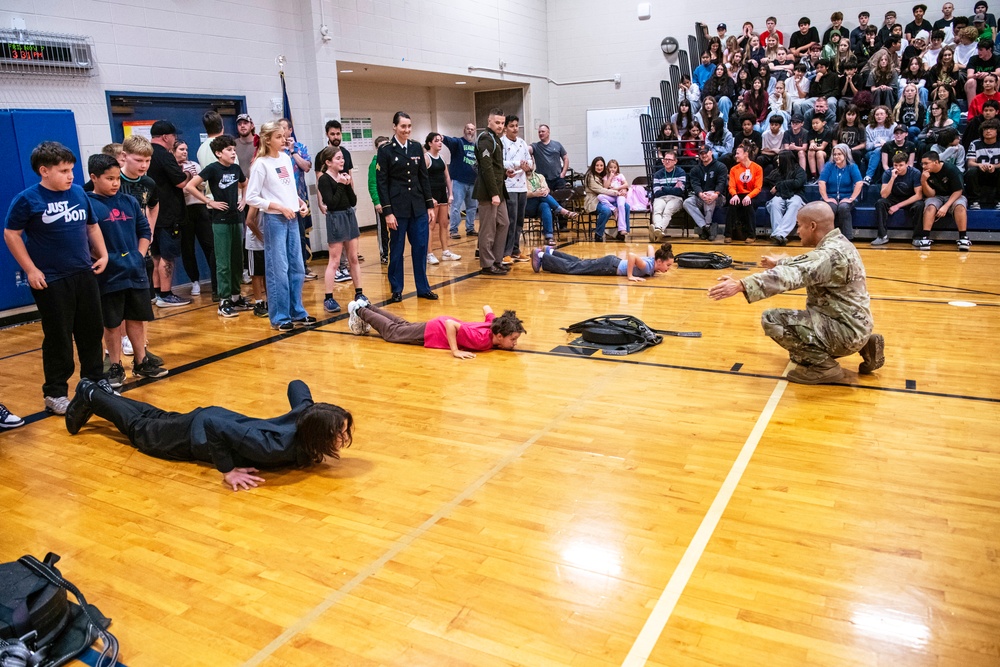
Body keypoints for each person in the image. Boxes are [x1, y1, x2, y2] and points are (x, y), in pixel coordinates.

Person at [64, 377, 353, 491]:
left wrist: (315, 410)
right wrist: (227, 471)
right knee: (142, 431)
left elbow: (297, 385)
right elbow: (215, 430)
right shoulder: (271, 447)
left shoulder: (304, 415)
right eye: (338, 434)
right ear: (317, 435)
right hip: (198, 435)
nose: (342, 439)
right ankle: (90, 394)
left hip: (214, 417)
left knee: (153, 418)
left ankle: (102, 393)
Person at [708, 201, 883, 384]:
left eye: (799, 225)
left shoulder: (828, 255)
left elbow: (791, 275)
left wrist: (741, 285)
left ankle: (825, 367)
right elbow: (808, 261)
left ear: (813, 226)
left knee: (772, 318)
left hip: (845, 330)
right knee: (797, 354)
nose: (797, 231)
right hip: (855, 324)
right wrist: (780, 262)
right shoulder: (839, 243)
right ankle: (865, 345)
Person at [3, 142, 108, 414]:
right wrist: (30, 269)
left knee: (91, 331)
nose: (70, 175)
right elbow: (11, 234)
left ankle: (95, 382)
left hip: (83, 273)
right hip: (51, 280)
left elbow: (92, 226)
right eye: (63, 170)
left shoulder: (78, 194)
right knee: (59, 337)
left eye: (72, 169)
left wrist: (103, 254)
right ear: (44, 171)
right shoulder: (27, 199)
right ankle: (55, 393)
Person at [87, 154, 168, 385]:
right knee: (112, 323)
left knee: (136, 318)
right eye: (109, 179)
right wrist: (102, 257)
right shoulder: (88, 203)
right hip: (108, 273)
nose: (115, 183)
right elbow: (86, 237)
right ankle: (115, 365)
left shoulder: (129, 201)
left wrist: (138, 255)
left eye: (116, 179)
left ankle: (141, 362)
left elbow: (144, 230)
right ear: (94, 177)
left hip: (134, 269)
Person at [245, 121, 316, 331]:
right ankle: (280, 316)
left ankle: (297, 310)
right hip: (275, 220)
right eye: (278, 136)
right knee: (279, 269)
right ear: (267, 140)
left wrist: (300, 203)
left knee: (297, 266)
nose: (283, 139)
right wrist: (276, 206)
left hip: (293, 217)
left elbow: (288, 189)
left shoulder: (285, 158)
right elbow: (252, 197)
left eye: (283, 135)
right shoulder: (260, 164)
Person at [184, 135, 248, 318]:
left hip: (236, 218)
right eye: (229, 150)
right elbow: (190, 186)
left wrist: (243, 200)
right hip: (219, 220)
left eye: (234, 150)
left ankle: (236, 297)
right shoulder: (212, 169)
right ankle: (224, 301)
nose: (233, 153)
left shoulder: (236, 168)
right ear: (219, 153)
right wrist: (209, 202)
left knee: (237, 260)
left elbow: (245, 183)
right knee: (223, 262)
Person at [376, 111, 439, 298]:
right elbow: (382, 183)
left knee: (420, 247)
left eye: (409, 126)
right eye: (403, 126)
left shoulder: (416, 147)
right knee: (396, 250)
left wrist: (429, 205)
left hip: (418, 207)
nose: (407, 130)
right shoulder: (386, 150)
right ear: (394, 127)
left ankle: (423, 288)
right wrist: (387, 212)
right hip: (397, 209)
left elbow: (423, 178)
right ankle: (396, 289)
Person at [346, 300, 524, 359]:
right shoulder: (480, 339)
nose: (515, 343)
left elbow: (487, 308)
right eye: (513, 339)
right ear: (500, 336)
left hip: (438, 325)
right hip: (437, 330)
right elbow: (450, 325)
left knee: (402, 326)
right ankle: (358, 310)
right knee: (393, 333)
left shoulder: (494, 325)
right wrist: (455, 351)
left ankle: (367, 306)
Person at [314, 145, 365, 313]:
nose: (342, 161)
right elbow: (332, 204)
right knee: (335, 261)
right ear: (328, 162)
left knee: (353, 258)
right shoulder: (324, 180)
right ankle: (328, 297)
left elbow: (353, 201)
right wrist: (342, 185)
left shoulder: (343, 176)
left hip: (349, 215)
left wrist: (347, 183)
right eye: (338, 158)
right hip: (336, 218)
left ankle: (359, 293)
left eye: (342, 157)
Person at [147, 120, 192, 308]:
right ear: (165, 137)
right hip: (168, 214)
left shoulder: (146, 154)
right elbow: (181, 182)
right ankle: (166, 294)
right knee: (168, 256)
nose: (174, 140)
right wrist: (189, 174)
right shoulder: (164, 156)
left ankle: (157, 292)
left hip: (153, 213)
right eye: (173, 136)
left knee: (156, 254)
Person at [173, 140, 216, 299]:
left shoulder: (195, 165)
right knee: (187, 248)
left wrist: (193, 183)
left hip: (199, 208)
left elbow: (202, 185)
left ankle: (216, 280)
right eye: (181, 149)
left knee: (209, 245)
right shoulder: (172, 168)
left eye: (186, 149)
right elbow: (182, 190)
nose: (184, 152)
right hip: (184, 211)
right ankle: (195, 281)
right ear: (174, 150)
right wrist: (190, 183)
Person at [473, 108, 511, 276]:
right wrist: (494, 193)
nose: (500, 126)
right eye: (497, 123)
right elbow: (486, 168)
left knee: (504, 223)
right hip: (488, 191)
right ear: (489, 121)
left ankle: (497, 259)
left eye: (502, 123)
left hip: (499, 188)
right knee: (488, 229)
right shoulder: (486, 139)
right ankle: (487, 264)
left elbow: (495, 167)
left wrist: (504, 173)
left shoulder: (496, 138)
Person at [530, 243, 675, 282]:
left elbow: (650, 248)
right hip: (609, 267)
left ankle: (551, 252)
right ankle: (542, 255)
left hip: (610, 262)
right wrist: (630, 275)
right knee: (573, 268)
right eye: (667, 265)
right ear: (659, 261)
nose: (668, 269)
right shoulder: (647, 267)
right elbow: (631, 256)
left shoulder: (653, 263)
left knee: (580, 263)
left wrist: (654, 258)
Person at [915, 150, 971, 250]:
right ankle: (925, 237)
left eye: (926, 163)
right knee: (930, 206)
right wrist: (923, 181)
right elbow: (930, 194)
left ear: (936, 162)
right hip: (937, 196)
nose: (923, 166)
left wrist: (946, 206)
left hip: (954, 195)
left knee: (960, 206)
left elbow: (958, 191)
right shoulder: (926, 173)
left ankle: (963, 237)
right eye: (922, 163)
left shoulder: (951, 170)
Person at [873, 152, 925, 245]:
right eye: (895, 165)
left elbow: (918, 195)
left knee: (920, 205)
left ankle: (917, 237)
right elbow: (884, 195)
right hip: (893, 198)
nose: (897, 168)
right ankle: (882, 236)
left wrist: (898, 206)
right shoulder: (888, 173)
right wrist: (892, 178)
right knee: (880, 203)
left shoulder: (915, 173)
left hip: (910, 198)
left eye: (901, 165)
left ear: (907, 164)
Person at [424, 133, 460, 264]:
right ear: (430, 143)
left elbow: (447, 178)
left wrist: (450, 194)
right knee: (431, 226)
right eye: (436, 141)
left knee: (444, 223)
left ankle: (446, 252)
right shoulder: (426, 158)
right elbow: (423, 180)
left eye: (440, 141)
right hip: (432, 196)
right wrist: (429, 198)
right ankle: (429, 254)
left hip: (442, 193)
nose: (440, 143)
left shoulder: (442, 158)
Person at [502, 115, 533, 263]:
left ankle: (515, 249)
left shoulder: (521, 143)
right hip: (509, 185)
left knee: (520, 219)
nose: (515, 129)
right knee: (511, 219)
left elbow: (529, 161)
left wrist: (527, 166)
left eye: (516, 126)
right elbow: (501, 163)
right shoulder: (502, 143)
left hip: (522, 186)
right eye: (512, 126)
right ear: (506, 128)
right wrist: (517, 164)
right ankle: (505, 251)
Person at [818, 144, 864, 240]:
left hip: (846, 197)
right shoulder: (829, 166)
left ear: (846, 154)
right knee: (830, 208)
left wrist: (851, 198)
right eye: (834, 154)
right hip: (831, 196)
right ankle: (829, 239)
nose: (836, 156)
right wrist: (826, 198)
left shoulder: (852, 167)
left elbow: (859, 183)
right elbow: (821, 182)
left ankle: (847, 238)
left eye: (839, 154)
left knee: (843, 207)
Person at [683, 145, 729, 241]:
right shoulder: (695, 169)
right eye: (701, 154)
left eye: (706, 153)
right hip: (701, 196)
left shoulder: (721, 166)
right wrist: (700, 194)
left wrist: (715, 194)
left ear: (711, 152)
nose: (704, 155)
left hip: (719, 197)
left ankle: (707, 225)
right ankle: (705, 226)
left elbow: (721, 182)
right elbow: (695, 184)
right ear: (699, 156)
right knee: (687, 202)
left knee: (709, 197)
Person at [442, 124, 479, 239]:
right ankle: (453, 230)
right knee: (456, 206)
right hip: (459, 181)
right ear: (464, 130)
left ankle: (470, 228)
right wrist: (440, 137)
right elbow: (448, 140)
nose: (470, 131)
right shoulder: (458, 143)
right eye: (468, 129)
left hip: (473, 181)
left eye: (472, 129)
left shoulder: (476, 146)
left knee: (472, 207)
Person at [524, 164, 577, 245]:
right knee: (542, 197)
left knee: (545, 205)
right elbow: (522, 194)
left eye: (530, 163)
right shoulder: (520, 178)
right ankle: (562, 211)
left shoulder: (540, 176)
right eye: (526, 164)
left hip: (540, 205)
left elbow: (547, 188)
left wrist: (545, 191)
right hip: (528, 205)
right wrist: (534, 194)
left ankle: (549, 236)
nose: (528, 166)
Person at [765, 150, 807, 245]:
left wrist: (778, 186)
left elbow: (797, 183)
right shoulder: (776, 172)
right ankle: (779, 236)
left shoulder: (800, 171)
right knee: (774, 203)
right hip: (780, 195)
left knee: (794, 204)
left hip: (796, 195)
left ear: (785, 160)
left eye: (779, 159)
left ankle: (779, 234)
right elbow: (766, 180)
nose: (777, 161)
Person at [725, 141, 763, 243]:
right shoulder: (734, 169)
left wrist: (749, 196)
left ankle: (752, 235)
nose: (735, 155)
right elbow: (731, 186)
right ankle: (728, 234)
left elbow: (758, 187)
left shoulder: (757, 168)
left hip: (752, 195)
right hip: (738, 194)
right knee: (732, 205)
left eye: (738, 153)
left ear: (746, 154)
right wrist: (734, 195)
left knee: (748, 205)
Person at [650, 150, 686, 241]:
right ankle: (659, 230)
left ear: (675, 161)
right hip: (660, 198)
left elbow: (680, 191)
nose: (667, 161)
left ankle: (658, 229)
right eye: (665, 159)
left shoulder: (681, 172)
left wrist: (664, 188)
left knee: (667, 210)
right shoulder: (658, 174)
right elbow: (656, 192)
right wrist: (673, 188)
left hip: (676, 198)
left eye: (669, 159)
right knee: (657, 210)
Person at [583, 157, 621, 242]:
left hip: (605, 198)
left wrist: (623, 190)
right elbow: (600, 190)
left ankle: (620, 232)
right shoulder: (590, 176)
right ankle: (599, 234)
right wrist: (616, 192)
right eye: (597, 165)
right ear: (593, 166)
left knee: (624, 206)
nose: (599, 167)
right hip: (593, 200)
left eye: (601, 165)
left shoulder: (606, 175)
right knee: (606, 211)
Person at [964, 118, 1000, 208]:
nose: (988, 131)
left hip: (995, 173)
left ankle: (999, 201)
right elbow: (970, 163)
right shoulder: (975, 143)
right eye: (985, 129)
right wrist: (979, 165)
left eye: (991, 129)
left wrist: (994, 166)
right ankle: (974, 201)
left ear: (997, 131)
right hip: (980, 173)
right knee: (971, 172)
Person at [530, 124, 569, 190]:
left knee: (560, 198)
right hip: (542, 181)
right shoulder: (535, 146)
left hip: (558, 179)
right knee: (546, 199)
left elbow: (566, 158)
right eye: (539, 132)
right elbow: (528, 149)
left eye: (543, 131)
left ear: (548, 132)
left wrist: (563, 173)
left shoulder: (557, 144)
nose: (540, 133)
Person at [234, 113, 258, 178]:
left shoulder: (260, 143)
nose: (242, 126)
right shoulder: (233, 145)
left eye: (245, 123)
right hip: (239, 185)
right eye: (239, 124)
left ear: (252, 126)